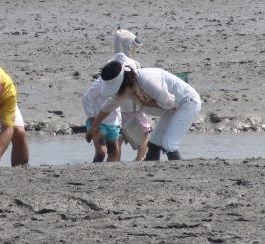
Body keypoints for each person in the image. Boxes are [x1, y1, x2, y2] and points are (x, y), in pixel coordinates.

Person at [92, 56, 201, 161]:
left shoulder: (148, 80)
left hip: (187, 103)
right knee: (154, 143)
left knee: (169, 145)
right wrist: (93, 128)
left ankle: (180, 176)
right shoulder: (126, 88)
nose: (117, 93)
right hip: (172, 107)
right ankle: (149, 176)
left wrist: (145, 103)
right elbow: (108, 106)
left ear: (124, 82)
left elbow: (170, 104)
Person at [113, 28, 151, 161]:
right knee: (145, 134)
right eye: (132, 46)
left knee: (119, 137)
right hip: (133, 107)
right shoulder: (134, 64)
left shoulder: (111, 64)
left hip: (116, 108)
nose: (134, 49)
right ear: (127, 46)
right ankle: (139, 160)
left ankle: (114, 161)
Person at [82, 78, 121, 162]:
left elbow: (118, 104)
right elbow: (86, 98)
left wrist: (119, 122)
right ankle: (93, 173)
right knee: (101, 152)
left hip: (113, 123)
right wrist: (92, 119)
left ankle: (108, 174)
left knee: (114, 153)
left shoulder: (122, 84)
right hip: (98, 122)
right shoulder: (100, 84)